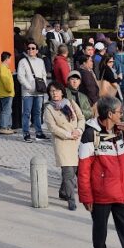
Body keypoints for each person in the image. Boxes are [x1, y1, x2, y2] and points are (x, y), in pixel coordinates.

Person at [78, 96, 124, 248]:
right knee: (100, 237)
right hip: (101, 196)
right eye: (119, 112)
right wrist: (86, 197)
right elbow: (83, 169)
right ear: (109, 114)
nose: (122, 115)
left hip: (122, 193)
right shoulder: (90, 134)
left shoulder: (120, 132)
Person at [43, 81, 85, 211]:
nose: (55, 93)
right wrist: (68, 134)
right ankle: (71, 199)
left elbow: (81, 117)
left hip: (76, 140)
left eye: (57, 90)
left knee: (74, 170)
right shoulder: (49, 108)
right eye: (52, 91)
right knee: (68, 173)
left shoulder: (71, 103)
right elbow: (52, 128)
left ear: (62, 91)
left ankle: (63, 191)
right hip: (62, 142)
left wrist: (79, 130)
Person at [17, 40, 49, 143]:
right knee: (26, 113)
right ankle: (26, 133)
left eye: (33, 48)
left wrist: (43, 85)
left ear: (36, 50)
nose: (31, 50)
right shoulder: (23, 62)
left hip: (39, 91)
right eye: (29, 48)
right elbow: (20, 76)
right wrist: (28, 86)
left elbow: (44, 74)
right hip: (28, 92)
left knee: (38, 112)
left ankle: (39, 132)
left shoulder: (40, 61)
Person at [0, 51, 15, 134]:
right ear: (7, 59)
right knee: (6, 110)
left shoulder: (4, 67)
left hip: (6, 93)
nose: (10, 60)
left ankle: (8, 127)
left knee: (8, 110)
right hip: (6, 93)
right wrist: (9, 90)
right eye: (10, 58)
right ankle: (4, 127)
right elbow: (5, 80)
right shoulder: (3, 68)